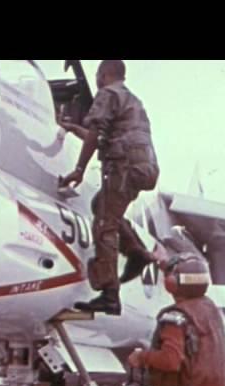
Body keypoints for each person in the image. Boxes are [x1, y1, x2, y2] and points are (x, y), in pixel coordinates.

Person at [59, 60, 159, 315]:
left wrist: (79, 169)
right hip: (141, 168)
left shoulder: (108, 93)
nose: (96, 80)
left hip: (123, 168)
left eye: (97, 75)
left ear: (105, 75)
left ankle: (109, 295)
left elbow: (95, 133)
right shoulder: (132, 101)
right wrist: (73, 129)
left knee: (104, 224)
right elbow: (104, 138)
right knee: (102, 207)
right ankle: (136, 252)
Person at [126, 253, 225, 386]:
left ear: (171, 285)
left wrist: (141, 357)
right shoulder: (209, 308)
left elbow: (170, 361)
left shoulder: (175, 318)